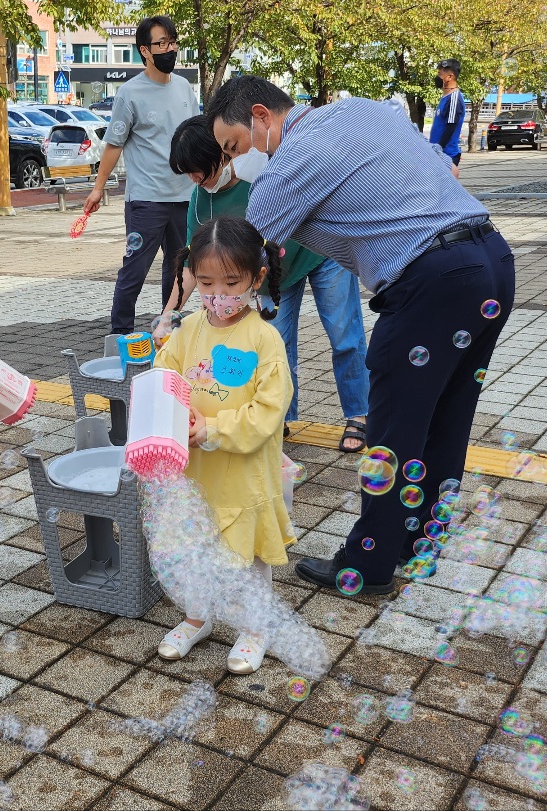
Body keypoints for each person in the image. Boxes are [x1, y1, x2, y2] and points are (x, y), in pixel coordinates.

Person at [205, 76, 515, 598]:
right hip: (492, 261)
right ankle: (416, 545)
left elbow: (247, 245)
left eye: (235, 146)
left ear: (261, 115)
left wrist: (206, 302)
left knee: (393, 429)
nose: (236, 161)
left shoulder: (294, 155)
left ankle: (369, 565)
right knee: (445, 418)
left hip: (431, 280)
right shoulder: (363, 110)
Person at [157, 115, 370, 451]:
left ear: (225, 153)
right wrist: (169, 314)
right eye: (188, 172)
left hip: (318, 253)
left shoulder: (259, 176)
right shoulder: (200, 200)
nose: (195, 178)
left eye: (200, 168)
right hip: (270, 273)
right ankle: (281, 417)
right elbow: (190, 264)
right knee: (277, 344)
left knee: (344, 335)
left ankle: (359, 413)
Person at [151, 216, 294, 675]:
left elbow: (267, 414)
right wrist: (172, 416)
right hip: (194, 471)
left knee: (249, 556)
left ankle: (255, 628)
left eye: (232, 282)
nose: (219, 294)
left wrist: (211, 429)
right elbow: (165, 378)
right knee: (194, 547)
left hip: (243, 475)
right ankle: (198, 617)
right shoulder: (189, 330)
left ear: (257, 277)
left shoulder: (265, 339)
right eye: (206, 281)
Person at [82, 15, 197, 334]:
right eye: (162, 44)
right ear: (145, 51)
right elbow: (113, 145)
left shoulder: (185, 87)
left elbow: (198, 135)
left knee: (177, 273)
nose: (170, 49)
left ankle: (168, 332)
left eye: (173, 43)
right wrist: (97, 188)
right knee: (134, 271)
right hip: (146, 201)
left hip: (185, 199)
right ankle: (119, 334)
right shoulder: (130, 93)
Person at [430, 59, 466, 169]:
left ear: (449, 77)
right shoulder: (446, 97)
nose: (438, 77)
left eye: (440, 74)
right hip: (439, 155)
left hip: (447, 156)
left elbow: (451, 126)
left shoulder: (454, 99)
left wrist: (439, 147)